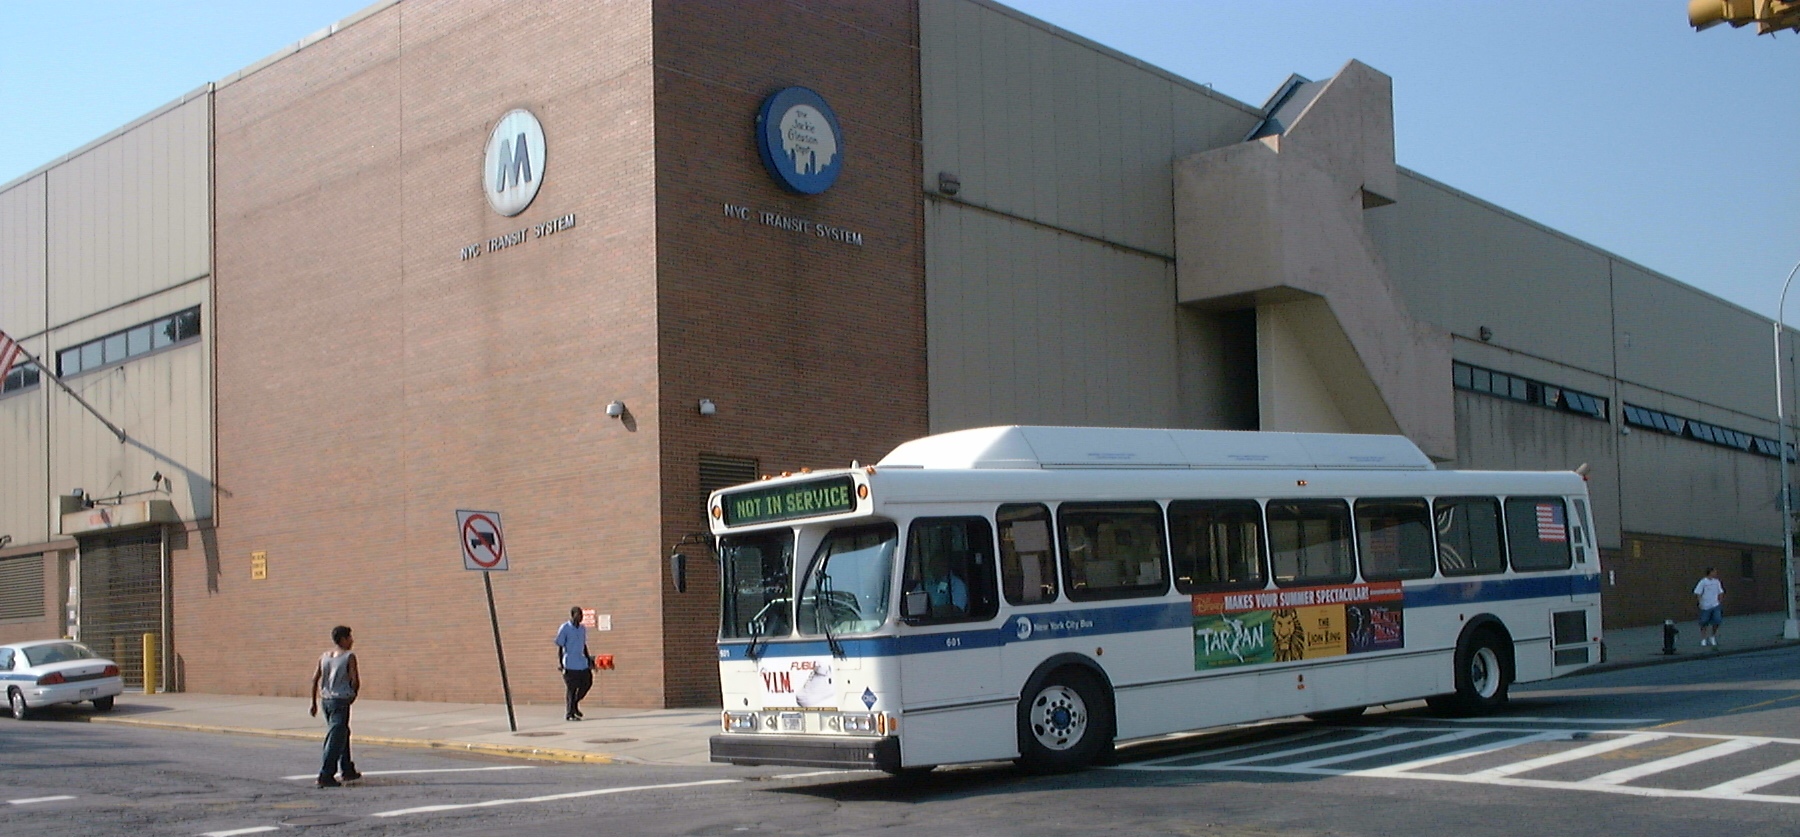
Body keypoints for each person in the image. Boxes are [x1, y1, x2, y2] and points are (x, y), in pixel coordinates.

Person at [309, 625, 361, 788]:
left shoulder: (324, 656)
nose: (352, 641)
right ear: (343, 639)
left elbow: (315, 678)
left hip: (326, 700)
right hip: (340, 700)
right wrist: (353, 694)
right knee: (336, 736)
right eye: (350, 637)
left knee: (341, 732)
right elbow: (355, 679)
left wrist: (314, 702)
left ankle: (347, 769)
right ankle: (326, 774)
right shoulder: (349, 656)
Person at [554, 606, 592, 721]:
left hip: (582, 663)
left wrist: (589, 660)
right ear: (573, 615)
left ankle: (574, 704)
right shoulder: (565, 628)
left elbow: (583, 645)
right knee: (571, 688)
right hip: (570, 663)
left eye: (582, 615)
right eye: (578, 615)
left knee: (587, 683)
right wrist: (561, 663)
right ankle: (570, 713)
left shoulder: (582, 629)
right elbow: (560, 647)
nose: (580, 618)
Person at [1694, 567, 1725, 648]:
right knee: (1704, 622)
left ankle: (1712, 636)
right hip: (1706, 605)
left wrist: (1720, 601)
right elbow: (1698, 593)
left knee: (1717, 620)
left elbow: (1720, 591)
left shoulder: (1717, 582)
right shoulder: (1703, 582)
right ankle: (1703, 638)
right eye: (1714, 572)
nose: (1715, 573)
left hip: (1715, 604)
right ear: (1710, 572)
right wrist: (1700, 602)